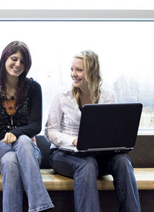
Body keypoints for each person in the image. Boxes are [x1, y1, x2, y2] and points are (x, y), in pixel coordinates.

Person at [45, 50, 141, 212]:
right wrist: (73, 140)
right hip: (64, 155)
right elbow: (50, 132)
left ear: (92, 72)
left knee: (123, 161)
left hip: (98, 156)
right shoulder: (61, 95)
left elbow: (111, 130)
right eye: (72, 69)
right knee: (87, 164)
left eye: (79, 70)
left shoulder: (109, 96)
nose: (73, 74)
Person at [0, 41, 54, 212]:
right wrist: (7, 137)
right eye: (14, 58)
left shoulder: (34, 88)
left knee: (13, 156)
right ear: (5, 59)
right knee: (20, 143)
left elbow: (36, 125)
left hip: (28, 150)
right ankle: (41, 206)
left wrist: (16, 134)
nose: (18, 64)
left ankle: (38, 205)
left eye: (23, 61)